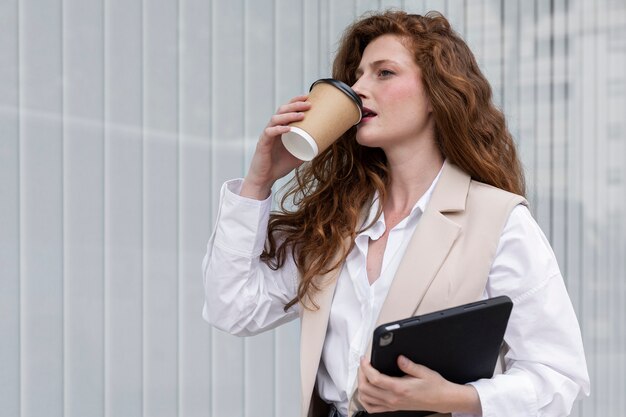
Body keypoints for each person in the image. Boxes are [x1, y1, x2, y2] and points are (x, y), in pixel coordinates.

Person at [202, 10, 589, 417]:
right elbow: (232, 308)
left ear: (437, 94)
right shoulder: (335, 222)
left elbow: (559, 374)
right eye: (357, 74)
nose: (357, 88)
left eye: (383, 73)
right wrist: (258, 181)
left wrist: (455, 399)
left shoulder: (498, 220)